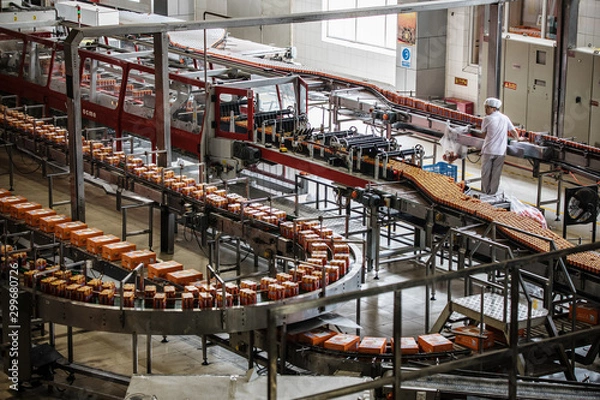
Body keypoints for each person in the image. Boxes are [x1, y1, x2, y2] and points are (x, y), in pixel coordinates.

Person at [479, 97, 519, 195]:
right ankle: (493, 194)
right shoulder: (505, 118)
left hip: (489, 150)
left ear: (493, 108)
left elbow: (483, 134)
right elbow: (513, 131)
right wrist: (518, 139)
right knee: (496, 175)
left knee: (486, 174)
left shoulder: (487, 119)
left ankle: (484, 194)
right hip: (501, 152)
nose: (485, 110)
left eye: (487, 107)